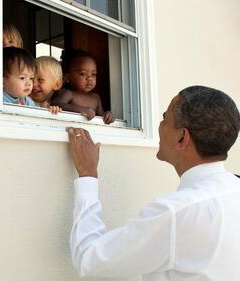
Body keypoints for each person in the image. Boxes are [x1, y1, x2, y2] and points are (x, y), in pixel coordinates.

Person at [66, 85, 240, 281]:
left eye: (165, 118)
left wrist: (88, 175)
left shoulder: (175, 213)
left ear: (182, 137)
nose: (159, 125)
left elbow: (89, 260)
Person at [51, 49, 115, 124]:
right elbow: (55, 104)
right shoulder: (69, 93)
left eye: (93, 74)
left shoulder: (96, 98)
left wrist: (108, 115)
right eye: (83, 74)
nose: (90, 78)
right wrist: (79, 109)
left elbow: (101, 117)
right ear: (67, 78)